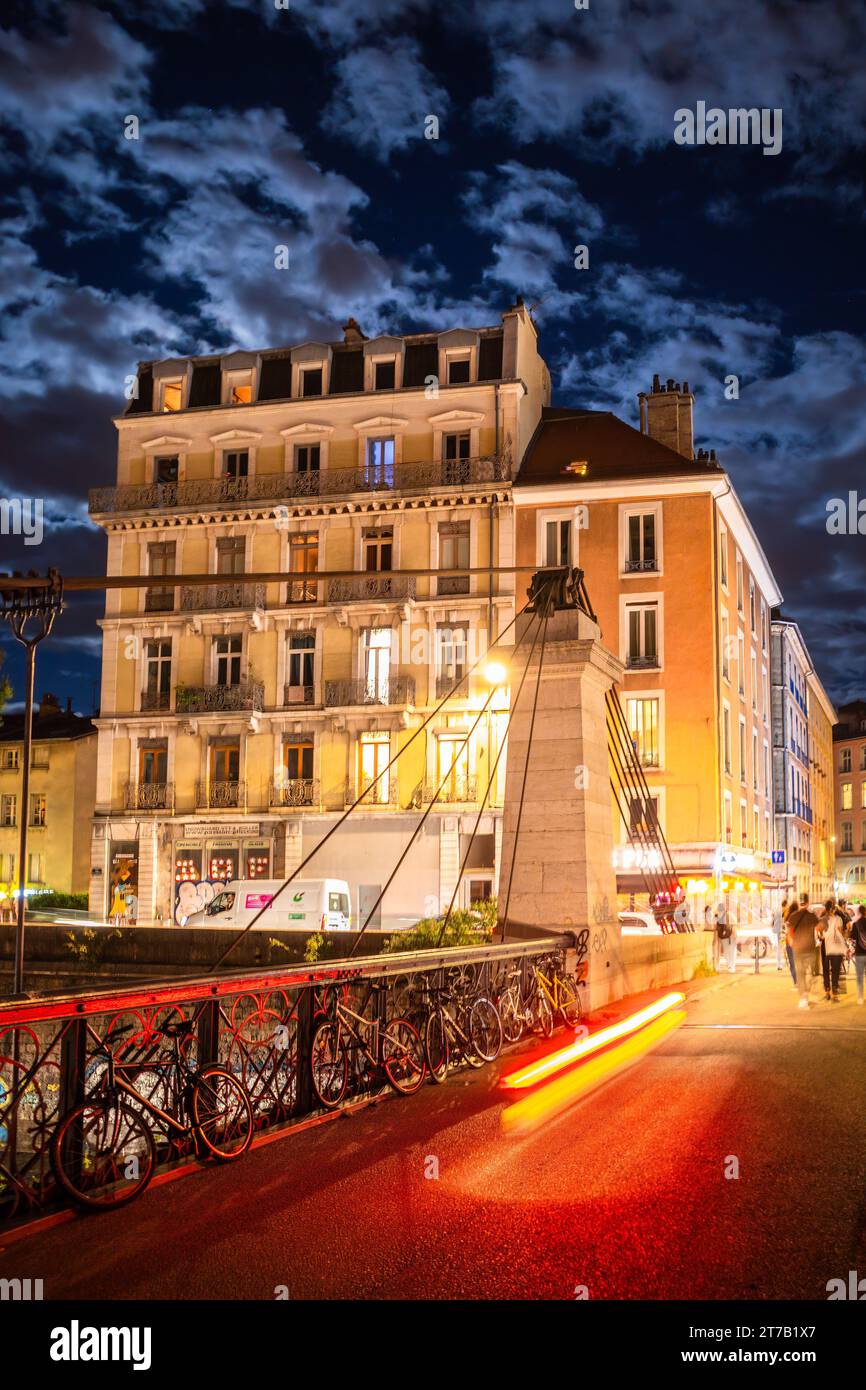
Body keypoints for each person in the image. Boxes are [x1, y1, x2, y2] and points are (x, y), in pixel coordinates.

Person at [786, 892, 820, 1008]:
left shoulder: (793, 916)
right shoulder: (812, 916)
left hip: (798, 949)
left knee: (800, 974)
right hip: (810, 948)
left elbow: (789, 934)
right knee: (812, 974)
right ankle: (809, 991)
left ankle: (803, 998)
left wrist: (793, 944)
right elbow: (818, 930)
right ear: (808, 902)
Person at [822, 903, 848, 1002]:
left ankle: (827, 992)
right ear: (833, 909)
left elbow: (821, 934)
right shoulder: (838, 919)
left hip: (826, 947)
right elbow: (840, 933)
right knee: (835, 971)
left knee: (825, 970)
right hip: (836, 947)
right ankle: (835, 994)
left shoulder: (823, 919)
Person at [850, 905, 866, 1006]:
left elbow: (852, 940)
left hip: (859, 954)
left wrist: (851, 951)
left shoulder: (855, 924)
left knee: (859, 976)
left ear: (858, 913)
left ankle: (860, 997)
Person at [714, 901, 736, 973]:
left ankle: (731, 966)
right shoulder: (726, 915)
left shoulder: (722, 915)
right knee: (729, 952)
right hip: (727, 936)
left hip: (726, 936)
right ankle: (731, 966)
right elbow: (734, 924)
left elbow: (715, 926)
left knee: (728, 952)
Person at [773, 899, 787, 972]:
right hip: (780, 933)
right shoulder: (782, 912)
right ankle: (779, 965)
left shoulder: (778, 910)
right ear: (785, 905)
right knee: (780, 948)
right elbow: (782, 923)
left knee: (780, 948)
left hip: (779, 933)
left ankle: (779, 964)